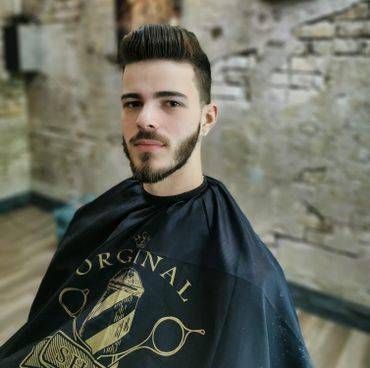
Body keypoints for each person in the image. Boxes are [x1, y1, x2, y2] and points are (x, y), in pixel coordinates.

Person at [0, 23, 313, 367]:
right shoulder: (92, 218)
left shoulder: (248, 277)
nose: (145, 119)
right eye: (132, 103)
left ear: (207, 119)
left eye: (171, 103)